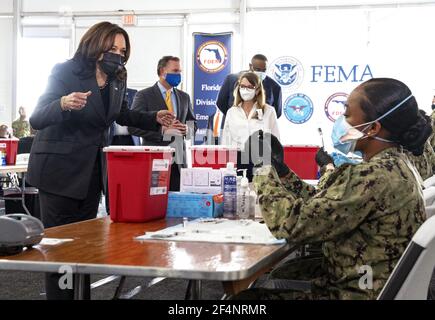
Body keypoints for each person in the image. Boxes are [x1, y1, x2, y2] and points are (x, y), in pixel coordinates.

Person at [235, 78, 432, 300]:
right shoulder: (397, 163)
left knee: (246, 301)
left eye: (347, 115)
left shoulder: (373, 176)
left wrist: (262, 168)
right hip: (370, 280)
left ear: (373, 128)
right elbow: (327, 205)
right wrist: (283, 173)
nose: (341, 121)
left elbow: (292, 223)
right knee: (285, 272)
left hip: (354, 292)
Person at [27, 21, 174, 300]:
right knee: (61, 250)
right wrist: (63, 104)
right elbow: (37, 117)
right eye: (112, 47)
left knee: (84, 248)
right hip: (59, 173)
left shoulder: (118, 76)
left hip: (93, 172)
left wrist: (153, 118)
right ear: (96, 45)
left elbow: (121, 114)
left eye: (122, 50)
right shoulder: (65, 71)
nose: (117, 54)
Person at [128, 55, 195, 191]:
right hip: (155, 159)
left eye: (180, 71)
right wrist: (162, 131)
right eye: (175, 71)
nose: (179, 74)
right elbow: (133, 126)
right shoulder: (144, 96)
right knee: (155, 203)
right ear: (162, 72)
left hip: (178, 161)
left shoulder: (184, 97)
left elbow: (192, 122)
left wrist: (187, 129)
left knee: (177, 205)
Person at [221, 72, 280, 149]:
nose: (245, 90)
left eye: (250, 87)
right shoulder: (231, 112)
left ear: (257, 90)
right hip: (237, 157)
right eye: (242, 86)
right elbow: (226, 142)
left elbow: (276, 141)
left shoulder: (269, 111)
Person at [216, 54, 282, 118]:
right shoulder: (231, 79)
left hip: (261, 127)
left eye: (264, 70)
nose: (261, 73)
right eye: (258, 69)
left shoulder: (275, 87)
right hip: (236, 126)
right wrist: (234, 118)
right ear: (250, 66)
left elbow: (276, 113)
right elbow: (221, 103)